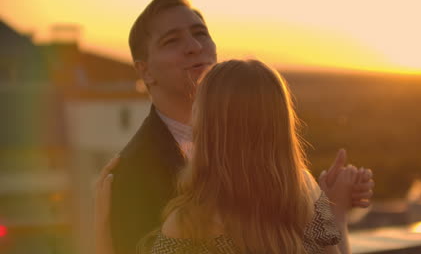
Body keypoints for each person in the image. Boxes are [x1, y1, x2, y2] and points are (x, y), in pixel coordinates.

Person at [94, 0, 374, 254]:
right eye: (172, 41)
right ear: (144, 70)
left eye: (200, 34)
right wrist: (326, 212)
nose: (194, 47)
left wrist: (325, 204)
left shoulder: (289, 178)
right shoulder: (130, 172)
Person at [139, 59, 357, 254]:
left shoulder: (189, 225)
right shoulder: (304, 196)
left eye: (197, 104)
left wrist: (103, 223)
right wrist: (336, 208)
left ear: (208, 129)